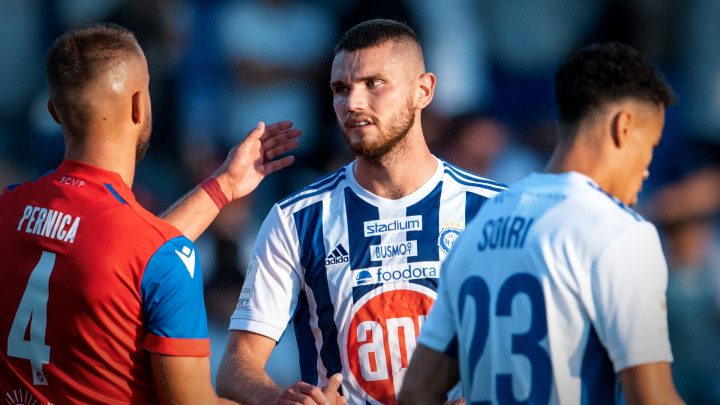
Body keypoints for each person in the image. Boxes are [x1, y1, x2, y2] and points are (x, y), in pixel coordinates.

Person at [0, 23, 304, 404]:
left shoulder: (7, 209)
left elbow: (123, 257)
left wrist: (223, 186)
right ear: (138, 106)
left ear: (54, 112)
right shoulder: (162, 259)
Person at [216, 19, 505, 404]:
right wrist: (279, 399)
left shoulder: (493, 212)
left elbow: (544, 345)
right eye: (341, 88)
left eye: (374, 84)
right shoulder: (298, 219)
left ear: (424, 90)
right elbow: (237, 363)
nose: (352, 103)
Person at [399, 42, 685, 404]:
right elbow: (652, 398)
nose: (646, 169)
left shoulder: (480, 222)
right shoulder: (620, 231)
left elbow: (416, 392)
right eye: (650, 145)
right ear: (623, 126)